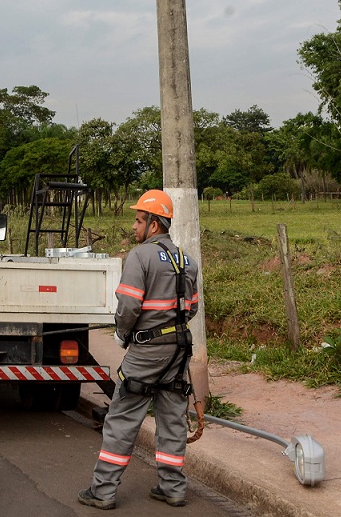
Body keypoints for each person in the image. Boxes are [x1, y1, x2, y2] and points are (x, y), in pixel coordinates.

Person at [79, 190, 200, 510]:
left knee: (121, 419)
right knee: (173, 418)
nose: (134, 226)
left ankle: (103, 491)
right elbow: (192, 309)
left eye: (138, 219)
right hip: (177, 351)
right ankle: (173, 487)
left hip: (146, 352)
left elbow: (128, 307)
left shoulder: (139, 256)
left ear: (155, 224)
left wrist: (123, 333)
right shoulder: (187, 260)